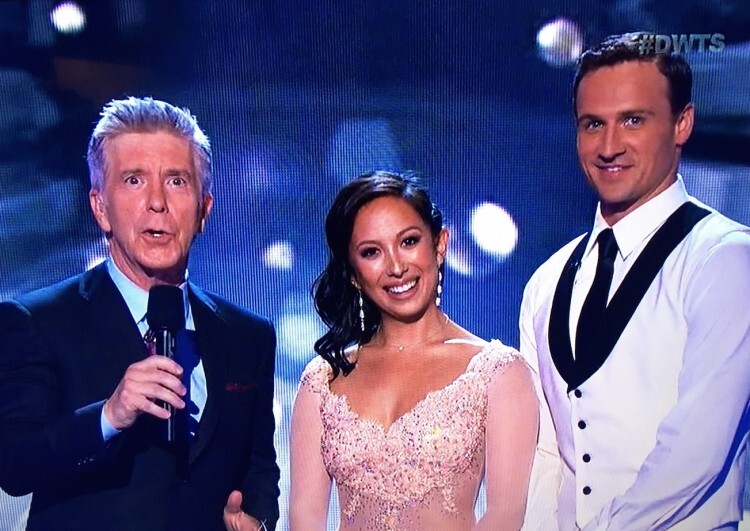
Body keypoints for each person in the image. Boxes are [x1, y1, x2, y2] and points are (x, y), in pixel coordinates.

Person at [0, 97, 280, 530]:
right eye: (134, 180)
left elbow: (259, 468)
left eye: (177, 182)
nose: (157, 202)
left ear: (204, 209)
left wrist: (256, 520)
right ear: (100, 208)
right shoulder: (38, 321)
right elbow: (16, 464)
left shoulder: (247, 335)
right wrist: (109, 416)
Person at [520, 32, 750, 530]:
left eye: (632, 121)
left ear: (681, 123)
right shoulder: (545, 282)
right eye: (592, 125)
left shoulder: (724, 258)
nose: (608, 146)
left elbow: (697, 452)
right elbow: (543, 455)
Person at [289, 171, 539, 530]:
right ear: (353, 274)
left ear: (440, 246)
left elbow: (505, 516)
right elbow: (305, 519)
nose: (395, 266)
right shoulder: (322, 380)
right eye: (372, 252)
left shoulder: (497, 373)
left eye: (408, 242)